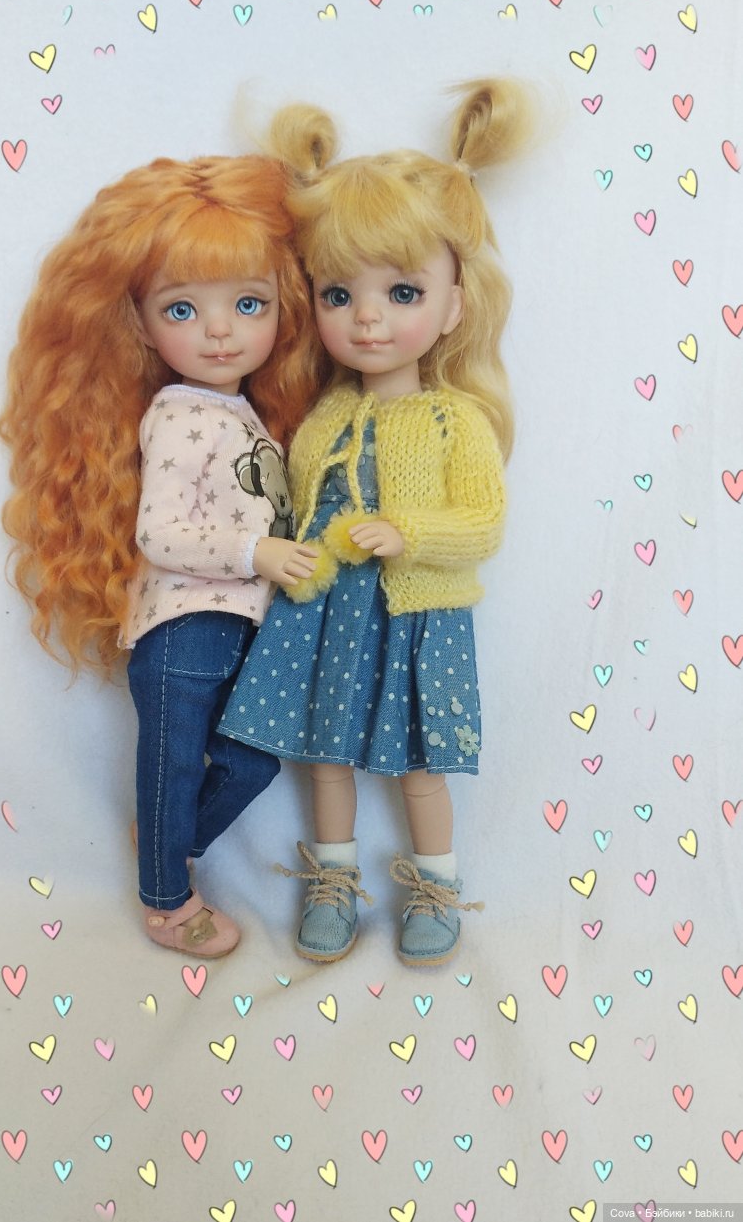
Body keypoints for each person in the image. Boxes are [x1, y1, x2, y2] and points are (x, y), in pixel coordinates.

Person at [219, 81, 530, 966]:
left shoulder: (454, 420)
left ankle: (435, 885)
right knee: (325, 756)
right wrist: (295, 556)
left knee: (418, 764)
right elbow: (301, 506)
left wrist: (410, 533)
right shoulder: (324, 417)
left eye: (401, 291)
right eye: (338, 293)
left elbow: (483, 522)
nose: (368, 317)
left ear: (454, 305)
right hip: (326, 613)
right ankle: (332, 879)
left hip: (416, 614)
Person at [0, 154, 322, 957]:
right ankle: (168, 902)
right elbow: (161, 535)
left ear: (282, 308)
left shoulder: (241, 412)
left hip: (235, 623)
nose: (220, 330)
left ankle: (164, 842)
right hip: (184, 625)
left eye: (248, 304)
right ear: (142, 325)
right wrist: (257, 551)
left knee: (251, 761)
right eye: (183, 308)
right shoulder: (179, 412)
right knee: (175, 764)